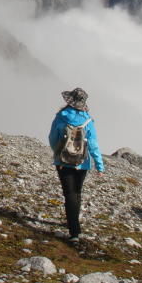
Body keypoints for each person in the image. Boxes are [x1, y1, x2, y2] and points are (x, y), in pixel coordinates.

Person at [49, 87, 105, 242]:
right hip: (82, 162)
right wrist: (99, 165)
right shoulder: (87, 120)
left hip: (63, 162)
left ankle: (74, 231)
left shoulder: (61, 117)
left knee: (69, 194)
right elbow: (93, 144)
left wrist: (58, 153)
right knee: (77, 193)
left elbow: (53, 138)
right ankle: (75, 225)